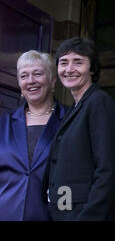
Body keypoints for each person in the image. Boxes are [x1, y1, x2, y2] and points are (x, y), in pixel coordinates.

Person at [43, 37, 115, 220]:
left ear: (92, 68)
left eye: (78, 62)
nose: (69, 69)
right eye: (63, 63)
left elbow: (107, 170)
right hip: (65, 211)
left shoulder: (99, 102)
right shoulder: (75, 108)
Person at [0, 50, 66, 220]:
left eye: (37, 74)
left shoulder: (70, 120)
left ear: (52, 81)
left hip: (52, 215)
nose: (31, 81)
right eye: (24, 76)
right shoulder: (3, 124)